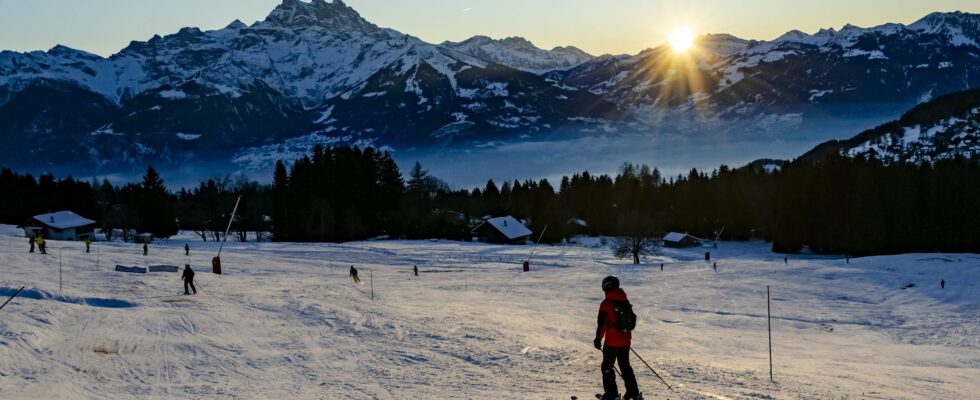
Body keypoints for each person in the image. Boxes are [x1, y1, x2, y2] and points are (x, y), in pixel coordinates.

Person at [594, 276, 641, 400]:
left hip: (612, 342)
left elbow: (602, 324)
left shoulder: (606, 303)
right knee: (625, 367)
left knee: (607, 367)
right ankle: (633, 393)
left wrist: (598, 339)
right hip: (625, 340)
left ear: (606, 287)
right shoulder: (624, 300)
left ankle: (612, 395)